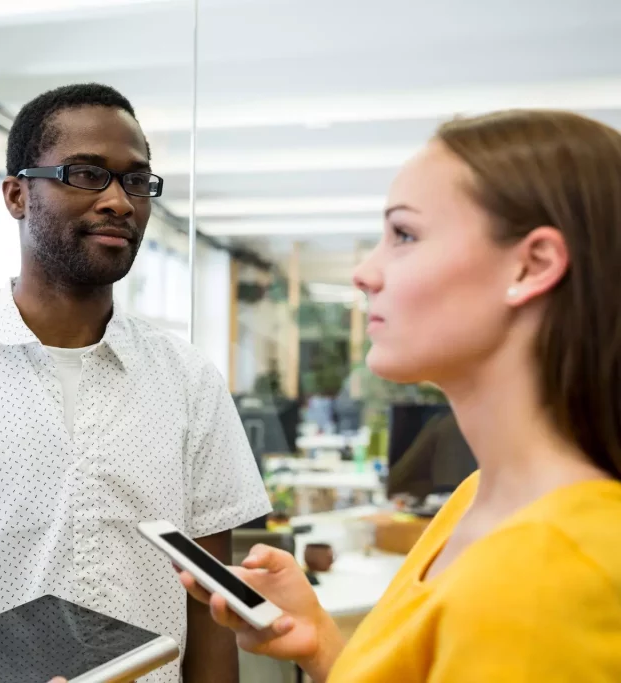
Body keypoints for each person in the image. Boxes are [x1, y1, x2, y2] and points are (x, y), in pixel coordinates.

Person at [175, 109, 621, 682]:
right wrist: (323, 645)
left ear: (531, 265)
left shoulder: (551, 571)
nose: (364, 273)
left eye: (404, 235)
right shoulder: (476, 498)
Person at [0, 83, 272, 683]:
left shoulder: (188, 381)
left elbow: (211, 610)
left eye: (136, 180)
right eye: (86, 174)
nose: (119, 201)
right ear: (16, 195)